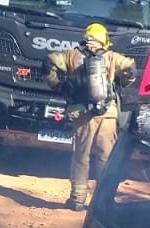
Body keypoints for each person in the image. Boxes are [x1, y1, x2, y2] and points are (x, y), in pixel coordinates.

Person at [43, 23, 136, 210]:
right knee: (105, 157)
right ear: (104, 40)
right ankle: (102, 202)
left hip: (81, 114)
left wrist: (59, 86)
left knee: (81, 157)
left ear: (86, 37)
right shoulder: (111, 57)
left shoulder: (71, 55)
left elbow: (48, 63)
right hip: (107, 114)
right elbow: (130, 68)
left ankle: (77, 200)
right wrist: (122, 83)